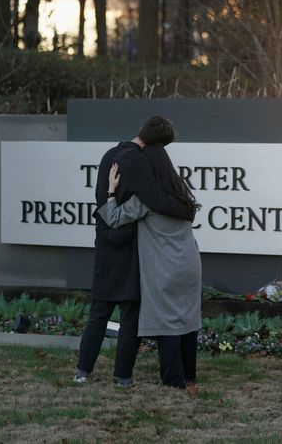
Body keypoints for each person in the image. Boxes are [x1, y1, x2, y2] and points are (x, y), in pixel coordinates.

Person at [74, 116, 193, 387]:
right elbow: (154, 199)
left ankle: (83, 371)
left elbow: (102, 199)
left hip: (104, 241)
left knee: (99, 311)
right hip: (129, 244)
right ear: (156, 143)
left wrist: (111, 195)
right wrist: (186, 208)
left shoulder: (110, 154)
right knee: (130, 314)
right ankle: (123, 376)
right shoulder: (138, 160)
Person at [98, 144, 202, 392]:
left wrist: (111, 191)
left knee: (166, 323)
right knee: (187, 321)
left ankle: (173, 380)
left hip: (164, 268)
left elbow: (113, 218)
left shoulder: (147, 198)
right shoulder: (181, 192)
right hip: (190, 263)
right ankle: (189, 376)